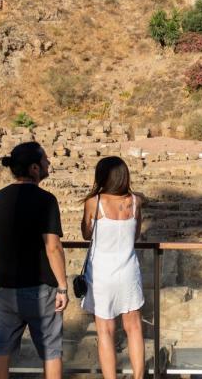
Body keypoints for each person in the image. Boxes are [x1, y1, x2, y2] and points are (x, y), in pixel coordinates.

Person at [0, 142, 68, 379]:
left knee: (0, 352)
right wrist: (63, 286)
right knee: (51, 353)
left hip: (4, 288)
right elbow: (53, 247)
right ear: (35, 168)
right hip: (41, 290)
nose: (49, 164)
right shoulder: (46, 200)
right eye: (46, 160)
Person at [81, 156, 145, 379]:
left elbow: (86, 234)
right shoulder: (135, 201)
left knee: (105, 331)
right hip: (128, 270)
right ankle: (139, 376)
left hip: (101, 273)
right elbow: (136, 234)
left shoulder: (94, 202)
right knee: (134, 328)